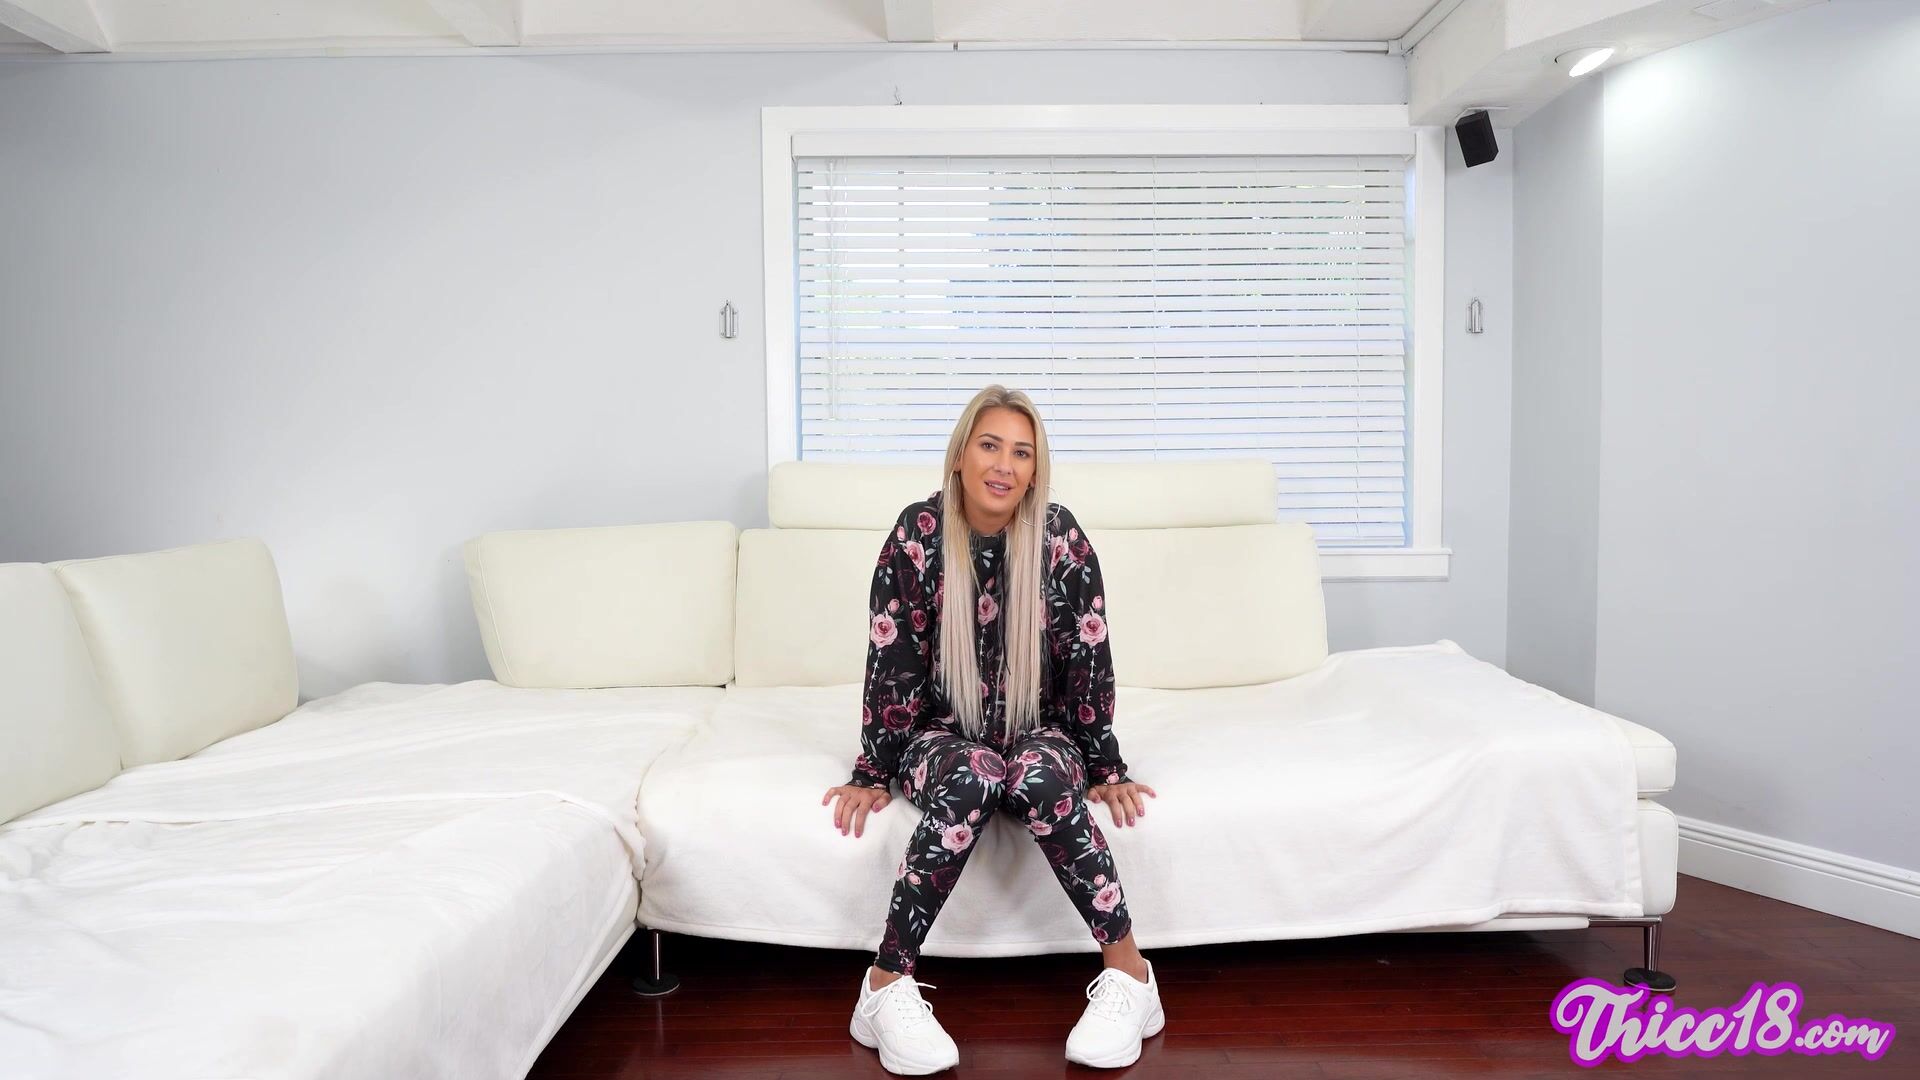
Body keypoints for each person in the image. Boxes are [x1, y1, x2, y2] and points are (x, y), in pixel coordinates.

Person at [820, 385, 1164, 1075]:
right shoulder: (917, 535)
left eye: (1022, 453)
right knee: (976, 777)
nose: (1004, 465)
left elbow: (1088, 658)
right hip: (942, 733)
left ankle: (1131, 976)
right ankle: (885, 985)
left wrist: (1106, 767)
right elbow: (893, 660)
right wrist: (872, 770)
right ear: (960, 455)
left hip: (1041, 730)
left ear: (1035, 470)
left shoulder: (1060, 537)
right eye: (989, 445)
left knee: (1034, 777)